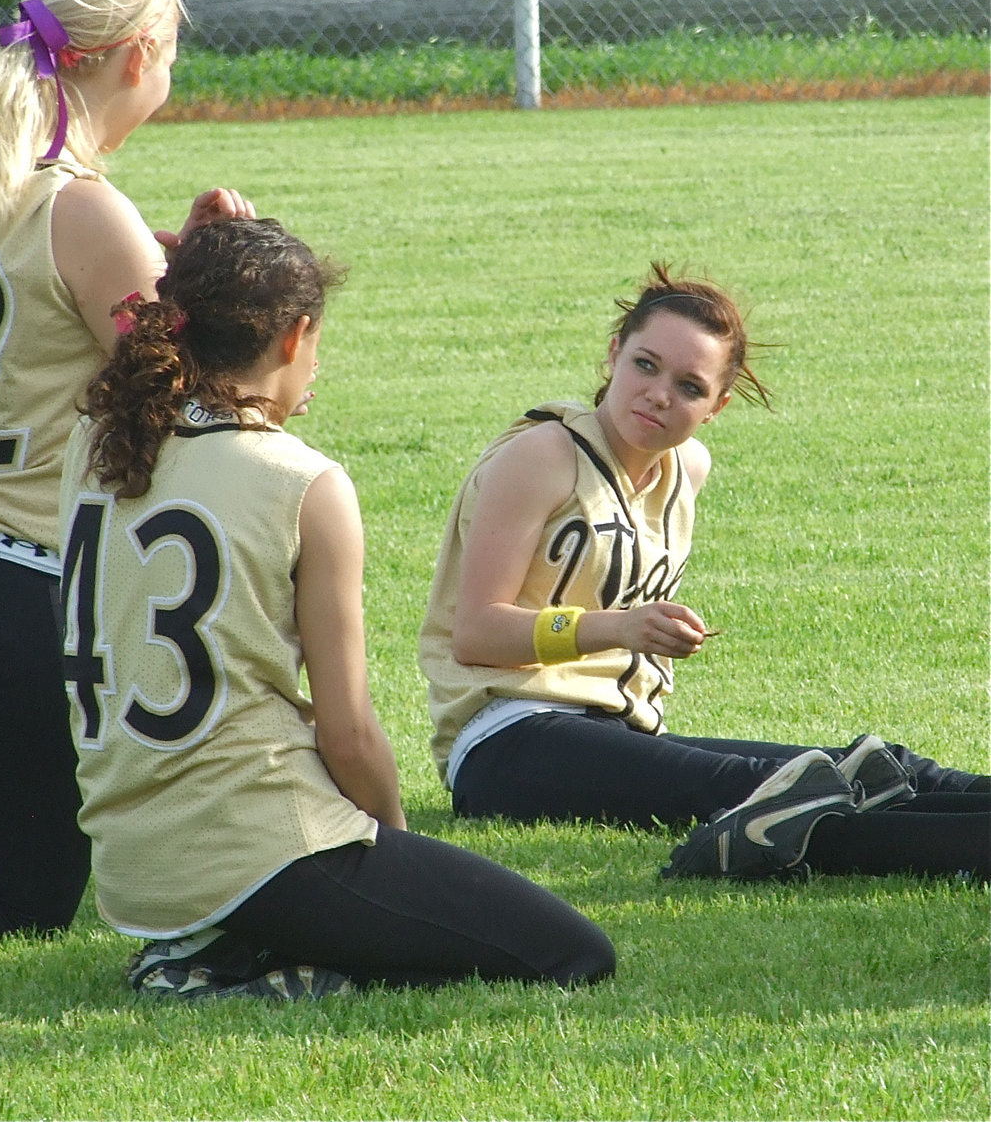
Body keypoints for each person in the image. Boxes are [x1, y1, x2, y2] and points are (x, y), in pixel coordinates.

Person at [57, 217, 615, 1001]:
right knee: (574, 954)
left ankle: (216, 945)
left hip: (130, 864)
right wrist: (392, 842)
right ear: (295, 336)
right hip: (257, 850)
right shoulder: (300, 481)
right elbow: (346, 732)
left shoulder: (95, 443)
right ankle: (226, 970)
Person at [419, 263, 990, 883]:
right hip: (507, 741)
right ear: (613, 355)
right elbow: (477, 632)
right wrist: (619, 628)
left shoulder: (685, 468)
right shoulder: (541, 456)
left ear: (717, 405)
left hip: (617, 732)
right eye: (645, 364)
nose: (660, 394)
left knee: (870, 767)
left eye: (690, 386)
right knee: (780, 795)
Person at [0, 0, 259, 938]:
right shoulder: (84, 206)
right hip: (15, 572)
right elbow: (184, 397)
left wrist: (167, 266)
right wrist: (226, 282)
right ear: (139, 54)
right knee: (19, 909)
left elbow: (43, 316)